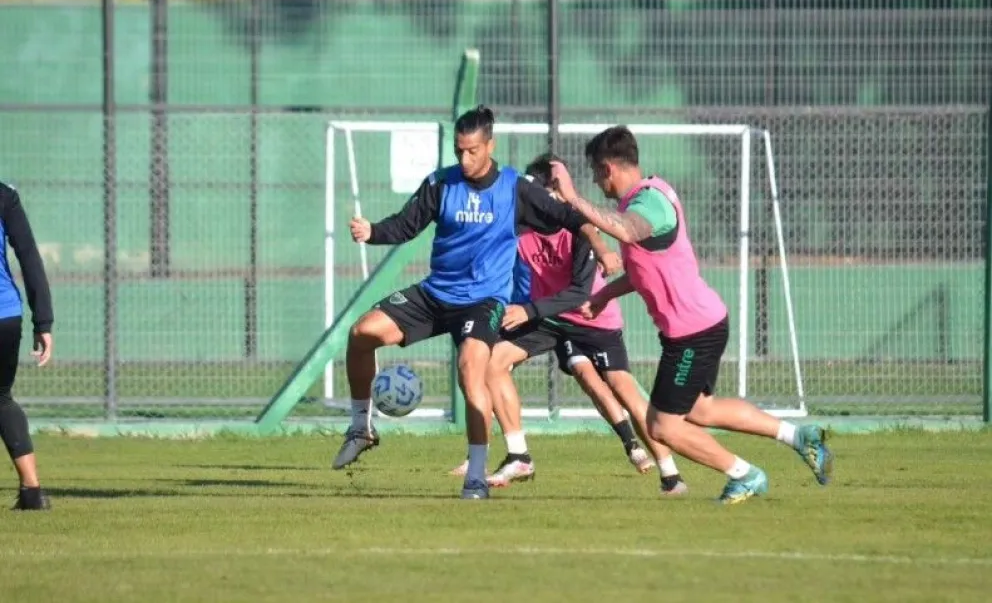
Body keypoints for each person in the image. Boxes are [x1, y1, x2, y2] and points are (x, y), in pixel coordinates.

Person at [332, 106, 608, 500]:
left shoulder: (515, 188)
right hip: (436, 294)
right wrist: (372, 231)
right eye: (460, 151)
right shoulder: (441, 184)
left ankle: (476, 475)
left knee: (470, 369)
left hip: (483, 301)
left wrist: (602, 248)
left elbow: (571, 218)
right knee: (362, 333)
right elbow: (406, 224)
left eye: (473, 151)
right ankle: (361, 427)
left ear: (490, 145)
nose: (465, 159)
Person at [552, 126, 833, 504]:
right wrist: (604, 295)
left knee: (662, 426)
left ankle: (745, 474)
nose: (594, 183)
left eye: (593, 174)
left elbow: (627, 232)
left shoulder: (648, 203)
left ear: (607, 168)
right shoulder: (646, 196)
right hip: (702, 323)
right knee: (700, 409)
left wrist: (572, 198)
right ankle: (799, 437)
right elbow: (643, 271)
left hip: (692, 333)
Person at [476, 153, 688, 495]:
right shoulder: (519, 228)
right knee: (491, 361)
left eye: (545, 194)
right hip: (548, 316)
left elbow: (578, 293)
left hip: (592, 315)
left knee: (621, 386)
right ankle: (518, 455)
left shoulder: (579, 231)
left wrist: (529, 310)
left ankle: (670, 474)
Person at [0, 182, 54, 511]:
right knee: (1, 399)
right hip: (6, 315)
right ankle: (32, 492)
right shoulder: (4, 195)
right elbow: (29, 257)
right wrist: (43, 321)